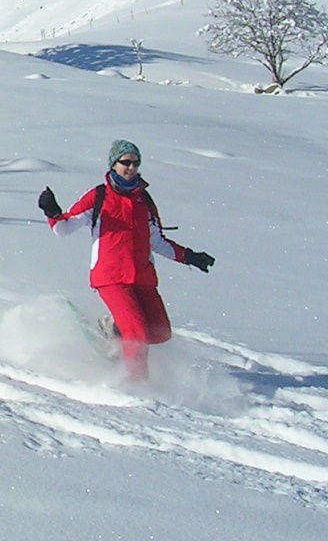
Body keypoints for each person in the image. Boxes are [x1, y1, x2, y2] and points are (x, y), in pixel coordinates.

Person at [37, 141, 216, 382]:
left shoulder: (145, 200)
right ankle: (136, 383)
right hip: (110, 277)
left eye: (135, 163)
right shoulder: (99, 196)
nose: (131, 167)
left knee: (160, 332)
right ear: (113, 164)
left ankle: (113, 326)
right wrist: (52, 212)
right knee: (137, 335)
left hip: (142, 277)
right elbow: (63, 228)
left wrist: (190, 257)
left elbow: (158, 241)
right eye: (125, 162)